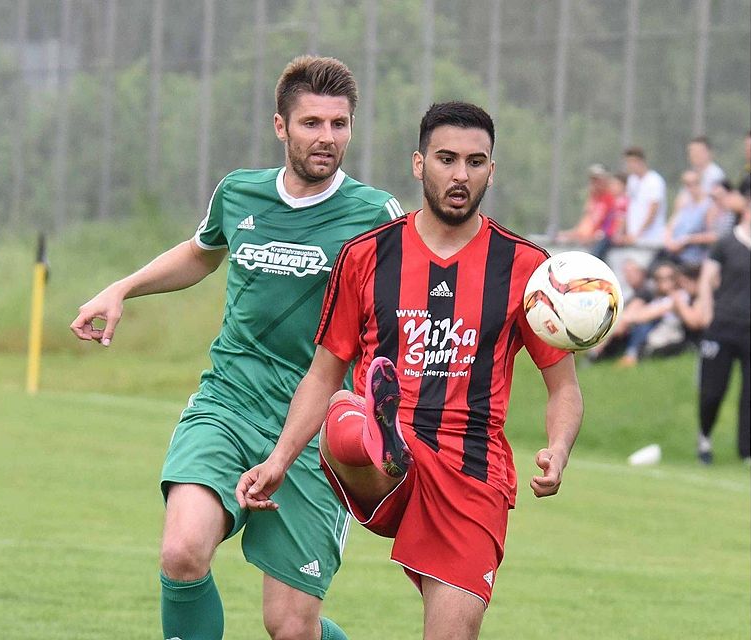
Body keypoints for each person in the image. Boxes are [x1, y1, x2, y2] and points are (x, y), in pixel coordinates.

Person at [70, 55, 404, 640]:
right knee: (181, 553)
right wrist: (123, 288)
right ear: (281, 126)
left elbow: (407, 311)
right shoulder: (240, 193)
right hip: (228, 406)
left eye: (339, 124)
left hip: (311, 432)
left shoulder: (375, 215)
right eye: (311, 123)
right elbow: (202, 252)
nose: (327, 137)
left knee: (290, 628)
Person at [235, 102, 584, 640]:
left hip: (471, 471)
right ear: (419, 164)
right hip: (381, 462)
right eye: (447, 159)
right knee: (343, 411)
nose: (460, 174)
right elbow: (323, 373)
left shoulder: (526, 269)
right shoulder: (367, 255)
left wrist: (558, 449)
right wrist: (279, 458)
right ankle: (382, 436)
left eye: (475, 161)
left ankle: (379, 432)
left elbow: (564, 388)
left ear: (493, 171)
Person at [672, 183, 751, 465]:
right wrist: (706, 309)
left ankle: (748, 452)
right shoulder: (727, 243)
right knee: (713, 391)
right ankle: (704, 437)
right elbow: (707, 279)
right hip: (723, 326)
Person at [660, 170, 715, 266]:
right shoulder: (683, 203)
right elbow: (671, 225)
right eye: (687, 184)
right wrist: (669, 241)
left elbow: (712, 235)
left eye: (695, 183)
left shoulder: (708, 206)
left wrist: (687, 240)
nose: (692, 187)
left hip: (693, 257)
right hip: (674, 253)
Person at [618, 146, 668, 248]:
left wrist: (638, 233)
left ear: (640, 161)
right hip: (633, 238)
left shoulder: (654, 181)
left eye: (632, 162)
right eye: (628, 162)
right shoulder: (632, 180)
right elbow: (628, 209)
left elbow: (653, 211)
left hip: (651, 240)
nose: (630, 165)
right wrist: (624, 232)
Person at [557, 163, 615, 248]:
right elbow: (585, 224)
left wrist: (589, 237)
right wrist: (572, 234)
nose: (595, 184)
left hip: (598, 243)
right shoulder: (593, 199)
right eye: (593, 180)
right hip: (585, 241)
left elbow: (605, 227)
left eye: (598, 180)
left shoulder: (609, 199)